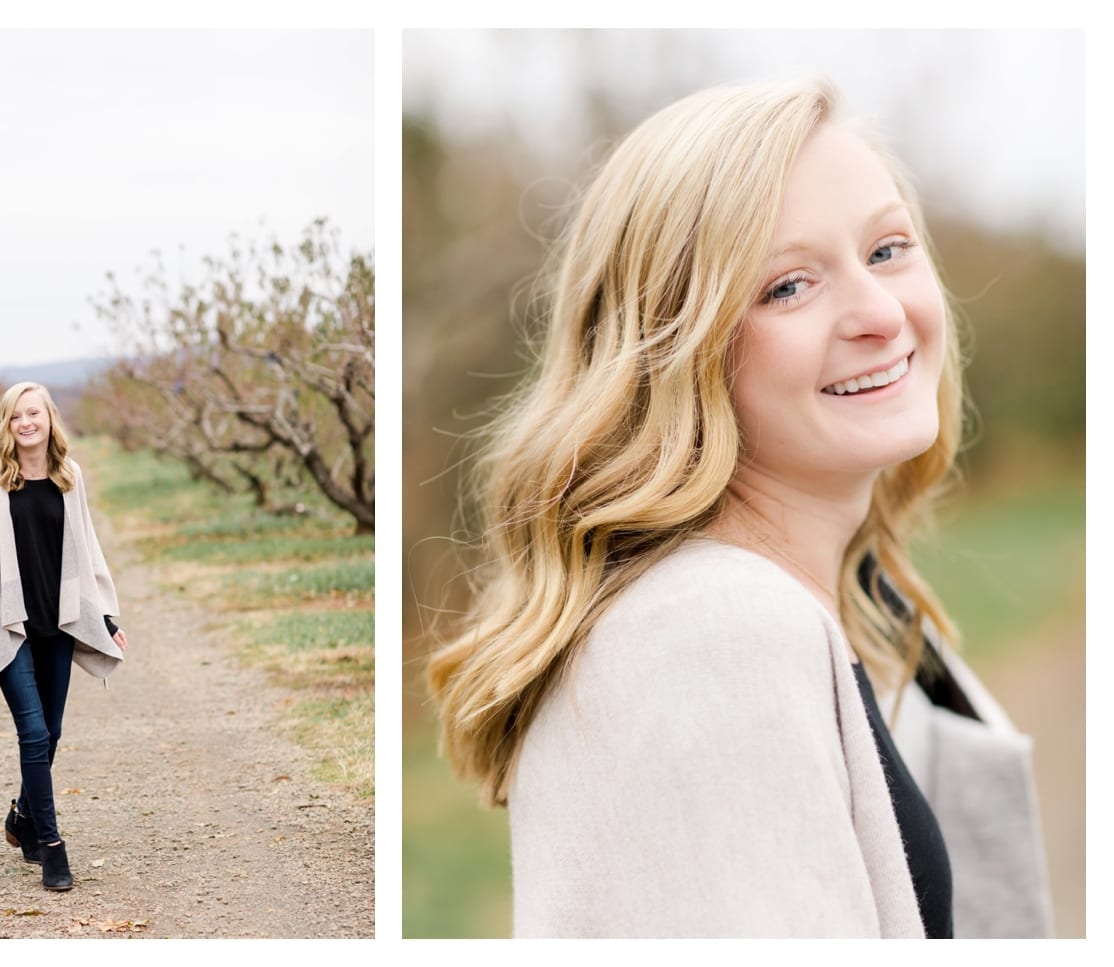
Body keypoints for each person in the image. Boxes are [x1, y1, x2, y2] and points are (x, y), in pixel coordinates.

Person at [426, 78, 1052, 938]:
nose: (877, 312)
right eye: (789, 286)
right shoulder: (709, 640)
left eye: (888, 249)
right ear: (675, 353)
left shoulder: (843, 605)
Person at [0, 381, 128, 892]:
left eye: (35, 414)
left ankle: (22, 818)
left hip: (57, 621)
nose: (26, 423)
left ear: (49, 419)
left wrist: (105, 616)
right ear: (6, 423)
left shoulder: (70, 476)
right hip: (10, 622)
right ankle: (50, 846)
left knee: (54, 729)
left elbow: (87, 549)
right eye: (16, 415)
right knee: (34, 733)